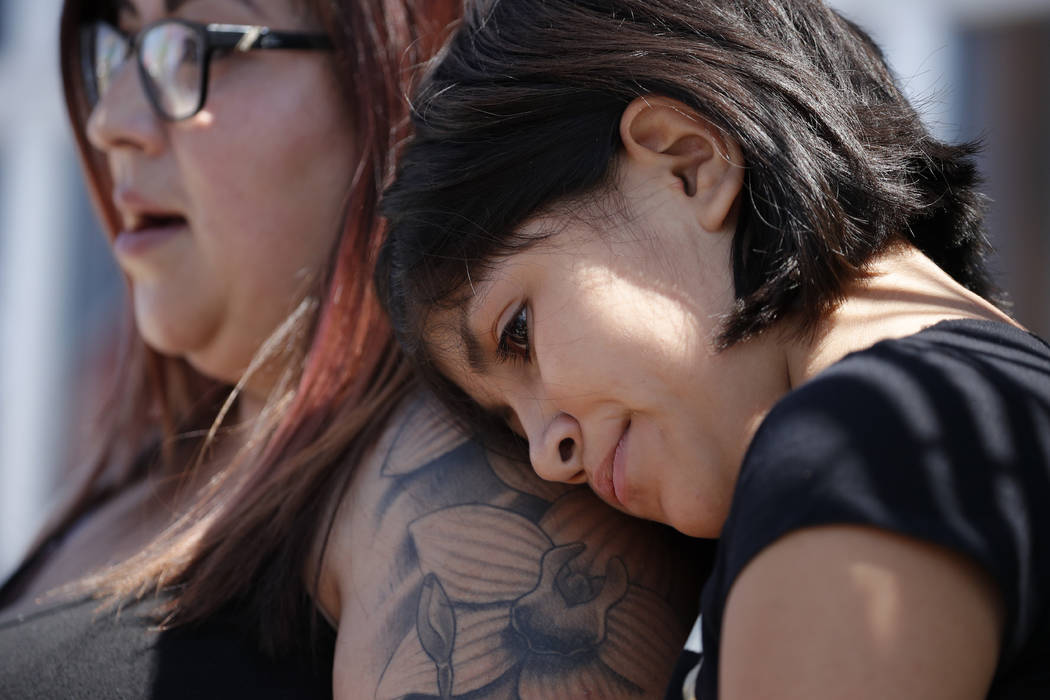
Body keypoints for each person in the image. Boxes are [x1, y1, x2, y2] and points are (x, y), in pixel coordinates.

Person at [0, 0, 706, 697]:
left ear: (409, 69)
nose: (110, 121)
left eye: (190, 45)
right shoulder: (162, 458)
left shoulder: (480, 469)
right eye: (121, 44)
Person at [375, 1, 1050, 698]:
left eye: (518, 332)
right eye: (513, 423)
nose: (548, 454)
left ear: (688, 164)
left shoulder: (866, 439)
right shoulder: (976, 405)